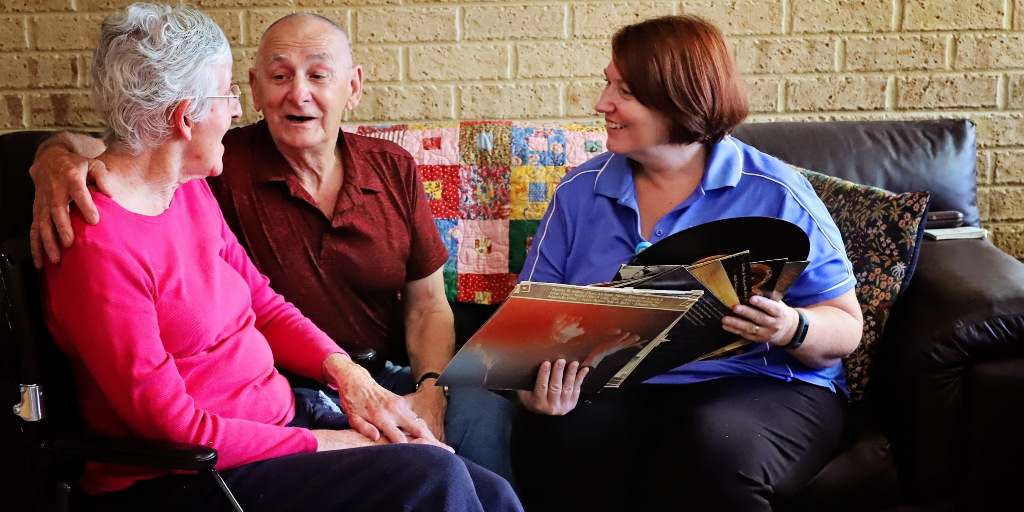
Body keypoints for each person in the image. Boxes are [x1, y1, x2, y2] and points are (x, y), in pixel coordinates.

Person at [39, 4, 521, 512]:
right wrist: (331, 443)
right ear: (186, 117)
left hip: (283, 418)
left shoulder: (188, 191)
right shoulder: (97, 247)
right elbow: (177, 430)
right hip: (192, 477)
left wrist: (348, 375)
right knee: (432, 475)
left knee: (490, 491)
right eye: (228, 94)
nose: (235, 110)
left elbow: (263, 303)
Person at [510, 15, 864, 512]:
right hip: (619, 385)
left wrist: (790, 326)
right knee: (555, 442)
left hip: (762, 383)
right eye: (607, 82)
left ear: (680, 101)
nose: (601, 103)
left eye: (624, 91)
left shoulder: (776, 193)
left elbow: (846, 329)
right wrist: (537, 392)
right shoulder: (578, 192)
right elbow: (526, 338)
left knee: (713, 448)